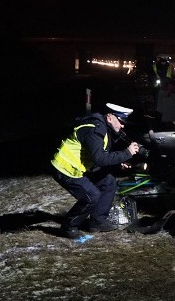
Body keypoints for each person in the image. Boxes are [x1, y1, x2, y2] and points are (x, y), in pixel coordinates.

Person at [51, 102, 140, 238]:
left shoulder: (103, 129)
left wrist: (118, 162)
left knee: (108, 182)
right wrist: (127, 153)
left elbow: (99, 157)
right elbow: (99, 159)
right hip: (64, 168)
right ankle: (68, 226)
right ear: (110, 117)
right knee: (91, 196)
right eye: (121, 121)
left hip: (79, 167)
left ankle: (97, 222)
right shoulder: (94, 130)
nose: (123, 125)